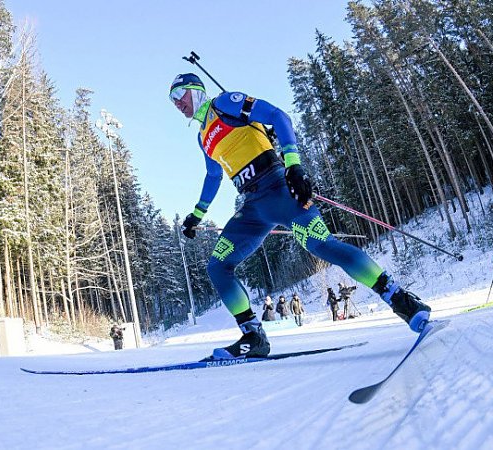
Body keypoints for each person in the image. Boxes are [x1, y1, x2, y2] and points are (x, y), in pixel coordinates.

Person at [170, 73, 431, 359]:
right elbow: (213, 175)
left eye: (179, 94)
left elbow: (278, 116)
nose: (177, 103)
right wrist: (197, 214)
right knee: (217, 266)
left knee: (322, 245)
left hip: (279, 188)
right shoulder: (202, 137)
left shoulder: (224, 103)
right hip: (252, 206)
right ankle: (253, 336)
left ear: (195, 90)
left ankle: (400, 298)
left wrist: (294, 166)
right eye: (172, 100)